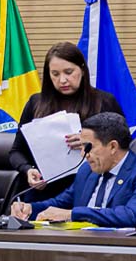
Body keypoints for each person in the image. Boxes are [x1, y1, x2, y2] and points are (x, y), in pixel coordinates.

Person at [9, 41, 123, 200]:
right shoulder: (36, 103)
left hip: (88, 190)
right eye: (55, 74)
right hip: (42, 190)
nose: (62, 80)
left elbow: (122, 151)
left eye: (68, 72)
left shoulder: (104, 102)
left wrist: (89, 142)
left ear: (82, 70)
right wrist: (28, 170)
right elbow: (16, 151)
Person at [10, 112, 136, 227]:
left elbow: (133, 215)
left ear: (112, 146)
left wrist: (72, 214)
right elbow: (60, 203)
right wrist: (30, 208)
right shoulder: (87, 171)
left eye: (88, 147)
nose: (84, 154)